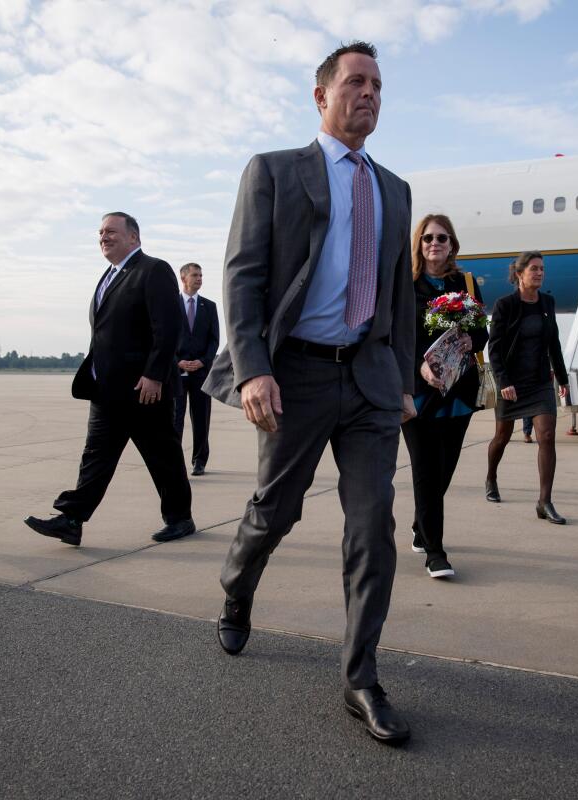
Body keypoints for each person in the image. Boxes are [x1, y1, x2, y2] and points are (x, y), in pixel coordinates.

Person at [202, 41, 415, 744]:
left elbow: (399, 295)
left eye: (378, 85)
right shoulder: (275, 172)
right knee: (276, 510)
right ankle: (238, 587)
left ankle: (360, 677)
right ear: (320, 96)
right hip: (293, 373)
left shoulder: (394, 188)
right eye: (355, 82)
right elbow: (242, 275)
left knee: (372, 526)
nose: (369, 94)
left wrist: (405, 379)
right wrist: (253, 365)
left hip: (369, 378)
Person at [24, 213, 195, 546]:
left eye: (112, 231)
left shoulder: (153, 269)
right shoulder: (109, 275)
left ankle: (179, 519)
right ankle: (72, 519)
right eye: (101, 232)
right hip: (107, 390)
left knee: (162, 456)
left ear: (134, 237)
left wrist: (154, 374)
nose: (104, 237)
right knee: (95, 456)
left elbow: (169, 328)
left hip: (143, 389)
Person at [402, 214, 487, 579]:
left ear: (452, 244)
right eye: (427, 238)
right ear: (419, 244)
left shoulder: (464, 283)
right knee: (425, 471)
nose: (434, 243)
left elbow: (483, 332)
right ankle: (435, 552)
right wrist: (418, 367)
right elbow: (396, 338)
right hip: (419, 393)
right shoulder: (406, 285)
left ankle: (422, 527)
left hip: (458, 392)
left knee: (445, 470)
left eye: (442, 238)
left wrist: (472, 340)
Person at [484, 251, 570, 524]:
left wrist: (563, 380)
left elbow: (553, 343)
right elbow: (494, 348)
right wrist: (503, 381)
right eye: (534, 268)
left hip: (539, 382)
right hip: (512, 382)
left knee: (546, 435)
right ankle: (491, 476)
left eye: (542, 268)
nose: (539, 273)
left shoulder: (547, 302)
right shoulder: (505, 305)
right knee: (502, 436)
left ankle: (544, 502)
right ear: (519, 274)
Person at [173, 263, 219, 476]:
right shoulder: (169, 305)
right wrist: (177, 362)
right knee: (175, 420)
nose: (199, 278)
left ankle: (199, 461)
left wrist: (203, 361)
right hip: (177, 373)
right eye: (195, 275)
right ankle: (174, 462)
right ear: (183, 278)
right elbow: (161, 337)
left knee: (201, 419)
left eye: (201, 275)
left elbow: (214, 340)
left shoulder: (209, 306)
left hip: (201, 373)